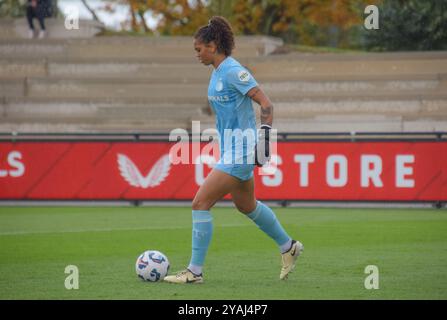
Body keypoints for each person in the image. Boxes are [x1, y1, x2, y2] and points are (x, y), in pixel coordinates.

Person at [164, 16, 304, 284]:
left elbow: (266, 104)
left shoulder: (232, 71)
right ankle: (289, 247)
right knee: (246, 205)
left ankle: (194, 272)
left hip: (242, 151)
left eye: (199, 49)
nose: (197, 55)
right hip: (230, 149)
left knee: (200, 203)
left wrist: (264, 140)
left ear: (213, 45)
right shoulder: (217, 72)